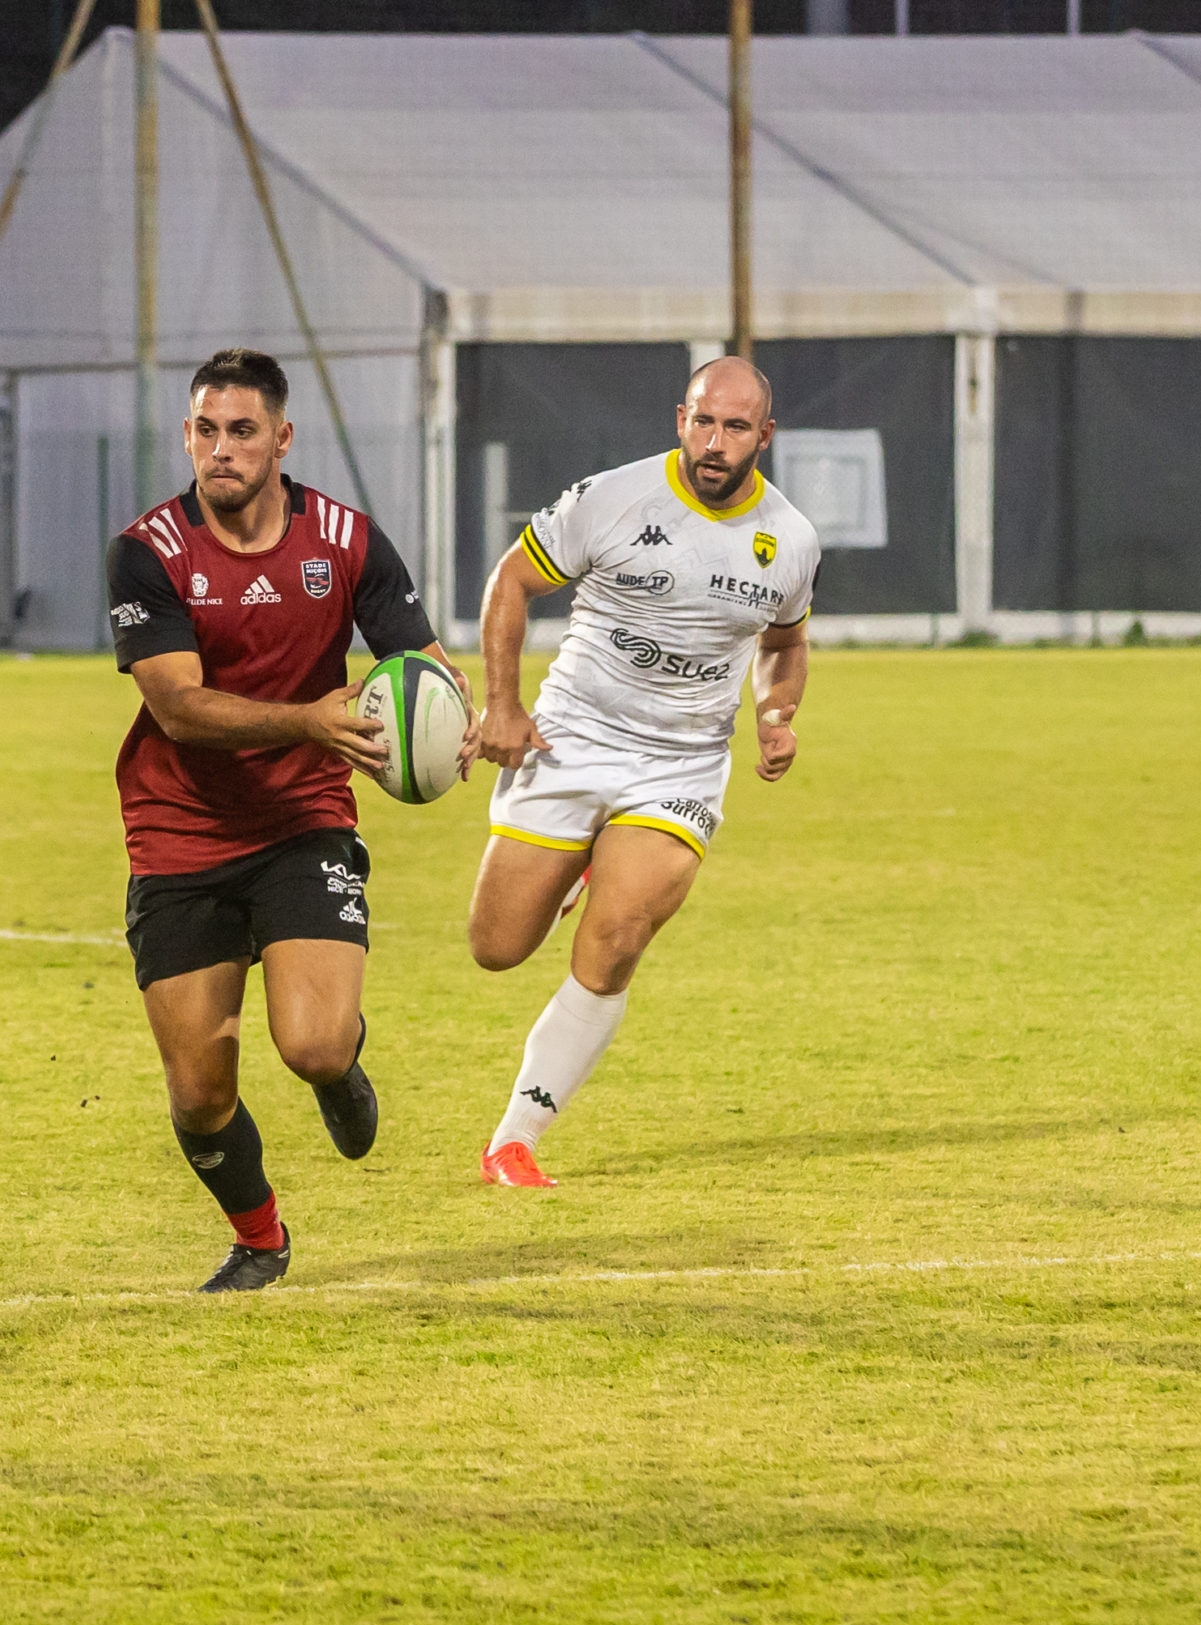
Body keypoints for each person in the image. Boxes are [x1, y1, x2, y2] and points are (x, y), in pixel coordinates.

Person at [107, 348, 464, 1292]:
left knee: (307, 1041)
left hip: (303, 819)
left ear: (281, 439)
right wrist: (310, 717)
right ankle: (260, 1238)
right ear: (188, 434)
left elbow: (421, 662)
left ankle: (339, 1064)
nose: (219, 450)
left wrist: (454, 721)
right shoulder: (149, 552)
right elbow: (179, 708)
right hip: (179, 830)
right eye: (204, 430)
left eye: (242, 431)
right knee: (199, 1092)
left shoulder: (346, 542)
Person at [462, 357, 819, 1187]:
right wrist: (504, 704)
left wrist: (775, 714)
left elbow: (785, 642)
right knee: (496, 945)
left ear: (764, 437)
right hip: (574, 736)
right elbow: (510, 582)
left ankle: (514, 1140)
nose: (715, 441)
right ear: (679, 419)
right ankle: (585, 856)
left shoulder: (791, 539)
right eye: (702, 421)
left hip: (683, 762)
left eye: (736, 427)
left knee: (618, 935)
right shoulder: (612, 498)